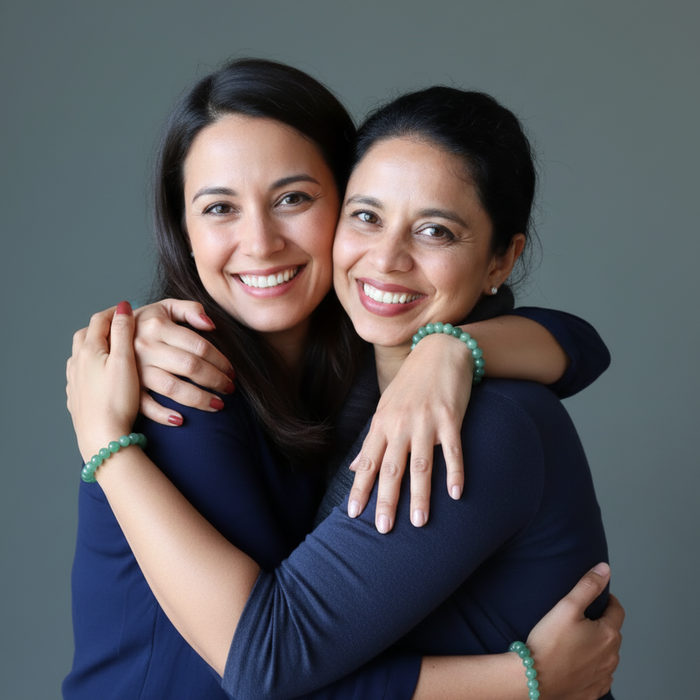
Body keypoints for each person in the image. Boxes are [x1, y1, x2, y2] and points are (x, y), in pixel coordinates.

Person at [65, 59, 620, 700]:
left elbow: (583, 347)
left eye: (293, 199)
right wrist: (104, 444)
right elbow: (267, 662)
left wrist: (452, 350)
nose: (261, 241)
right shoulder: (181, 377)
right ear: (182, 230)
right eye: (218, 208)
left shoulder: (413, 395)